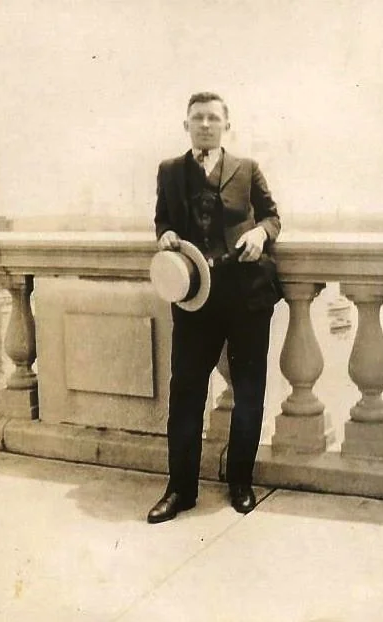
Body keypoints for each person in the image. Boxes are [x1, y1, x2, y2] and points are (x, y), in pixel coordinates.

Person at [148, 92, 281, 524]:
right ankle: (180, 489)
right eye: (197, 118)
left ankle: (241, 482)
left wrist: (261, 233)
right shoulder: (170, 171)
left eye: (213, 118)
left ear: (226, 124)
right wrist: (165, 235)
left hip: (246, 295)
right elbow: (163, 219)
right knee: (185, 392)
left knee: (248, 390)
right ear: (186, 125)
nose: (205, 124)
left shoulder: (248, 168)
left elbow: (273, 217)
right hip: (193, 297)